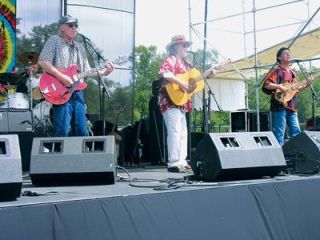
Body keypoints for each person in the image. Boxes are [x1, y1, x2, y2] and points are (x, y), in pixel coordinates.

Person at [38, 15, 113, 137]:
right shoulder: (54, 40)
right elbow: (43, 61)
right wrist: (62, 77)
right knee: (62, 130)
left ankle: (77, 155)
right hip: (60, 91)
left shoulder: (80, 47)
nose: (74, 28)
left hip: (78, 92)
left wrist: (104, 72)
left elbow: (86, 70)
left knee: (82, 131)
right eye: (71, 25)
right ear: (62, 27)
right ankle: (59, 154)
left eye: (76, 26)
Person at [158, 34, 215, 173]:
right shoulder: (170, 60)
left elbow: (193, 81)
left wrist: (206, 74)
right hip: (169, 100)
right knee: (175, 130)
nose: (186, 48)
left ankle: (182, 161)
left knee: (183, 131)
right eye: (184, 45)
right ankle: (173, 162)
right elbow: (165, 73)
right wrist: (181, 83)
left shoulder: (187, 65)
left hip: (181, 101)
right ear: (175, 47)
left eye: (187, 45)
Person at [263, 47, 313, 145]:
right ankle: (279, 156)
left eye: (289, 53)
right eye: (286, 53)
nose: (289, 55)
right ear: (279, 57)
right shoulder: (276, 71)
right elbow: (266, 85)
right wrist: (280, 87)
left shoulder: (293, 72)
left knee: (296, 130)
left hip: (292, 106)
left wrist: (307, 85)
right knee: (280, 132)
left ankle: (296, 154)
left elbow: (296, 91)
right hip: (279, 106)